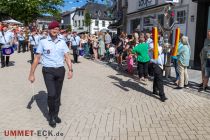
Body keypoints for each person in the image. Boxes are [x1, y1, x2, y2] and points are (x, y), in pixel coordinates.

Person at [28, 21, 73, 128]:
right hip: (48, 70)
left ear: (58, 31)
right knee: (52, 94)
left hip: (60, 70)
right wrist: (31, 74)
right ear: (49, 30)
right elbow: (37, 58)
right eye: (53, 28)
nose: (55, 30)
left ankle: (56, 114)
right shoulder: (43, 42)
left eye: (57, 29)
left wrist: (71, 69)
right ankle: (51, 116)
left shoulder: (62, 42)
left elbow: (67, 57)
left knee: (57, 95)